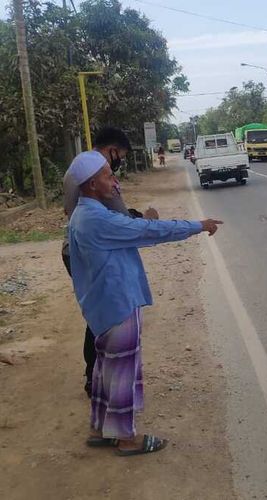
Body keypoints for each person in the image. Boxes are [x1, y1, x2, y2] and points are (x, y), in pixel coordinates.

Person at [67, 150, 222, 455]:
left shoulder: (84, 213)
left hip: (102, 305)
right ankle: (126, 439)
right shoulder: (97, 218)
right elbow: (149, 231)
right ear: (91, 184)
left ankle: (101, 428)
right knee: (124, 371)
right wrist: (198, 225)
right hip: (117, 303)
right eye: (108, 175)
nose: (115, 180)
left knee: (105, 370)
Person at [62, 127, 157, 398]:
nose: (116, 169)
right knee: (108, 317)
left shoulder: (76, 168)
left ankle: (94, 375)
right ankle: (101, 379)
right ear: (112, 150)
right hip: (96, 249)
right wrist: (148, 220)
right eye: (121, 157)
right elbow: (123, 221)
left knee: (96, 313)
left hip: (76, 246)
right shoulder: (98, 174)